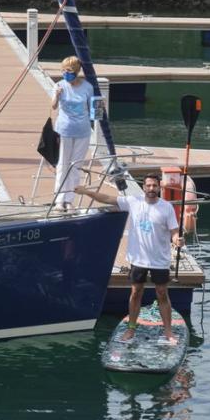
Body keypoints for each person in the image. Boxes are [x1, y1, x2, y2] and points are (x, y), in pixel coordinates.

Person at [75, 174, 184, 342]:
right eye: (148, 185)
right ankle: (131, 329)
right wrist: (86, 192)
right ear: (144, 186)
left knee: (162, 293)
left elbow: (174, 231)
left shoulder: (166, 207)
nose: (151, 189)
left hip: (159, 260)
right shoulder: (133, 201)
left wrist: (177, 239)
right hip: (138, 258)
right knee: (135, 292)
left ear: (159, 188)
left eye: (154, 186)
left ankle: (168, 331)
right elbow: (107, 198)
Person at [51, 56, 95, 211]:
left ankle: (70, 199)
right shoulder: (59, 85)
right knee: (63, 164)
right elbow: (54, 106)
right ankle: (59, 199)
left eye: (68, 71)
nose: (65, 73)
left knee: (75, 166)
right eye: (63, 70)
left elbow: (94, 108)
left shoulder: (87, 87)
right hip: (64, 130)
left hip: (82, 131)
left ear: (76, 71)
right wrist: (56, 94)